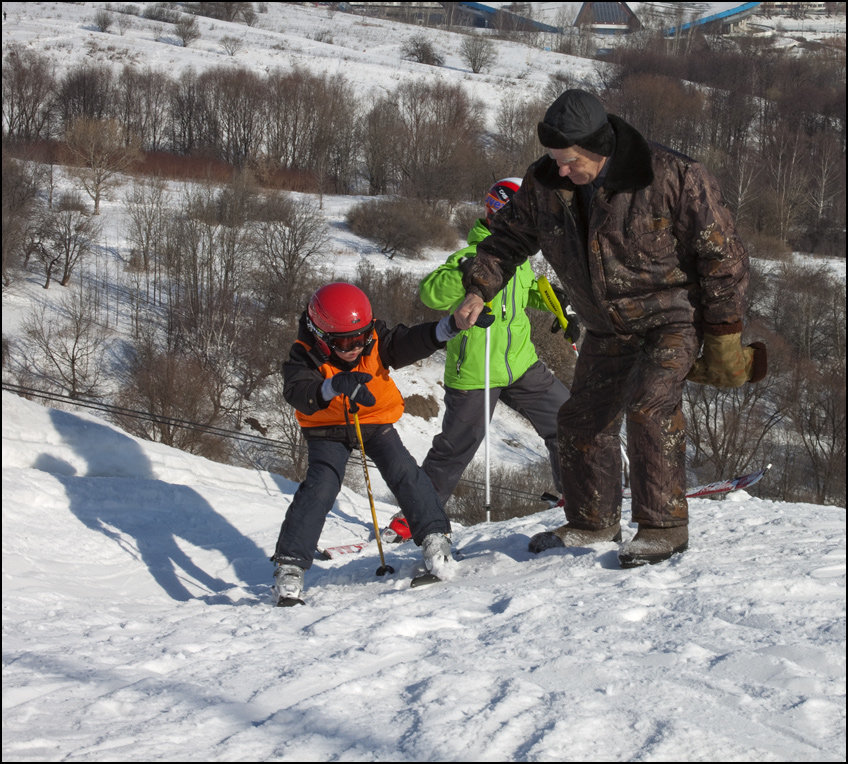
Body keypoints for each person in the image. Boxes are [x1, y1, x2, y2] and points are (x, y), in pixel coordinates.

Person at [453, 89, 767, 568]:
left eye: (569, 160)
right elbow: (506, 240)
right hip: (605, 328)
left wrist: (724, 333)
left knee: (649, 405)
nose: (559, 169)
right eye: (555, 159)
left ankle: (663, 527)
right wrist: (479, 287)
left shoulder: (674, 177)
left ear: (599, 148)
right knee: (580, 420)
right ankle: (591, 521)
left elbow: (723, 257)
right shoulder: (545, 185)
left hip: (670, 320)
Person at [383, 178, 575, 543]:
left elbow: (529, 291)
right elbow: (430, 293)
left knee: (566, 419)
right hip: (475, 368)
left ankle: (578, 496)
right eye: (520, 213)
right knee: (454, 449)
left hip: (520, 363)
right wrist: (466, 274)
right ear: (498, 211)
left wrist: (560, 305)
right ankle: (413, 517)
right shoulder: (468, 256)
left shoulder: (518, 258)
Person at [271, 282, 460, 603]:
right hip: (326, 426)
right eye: (343, 342)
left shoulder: (375, 339)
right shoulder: (303, 353)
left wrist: (449, 327)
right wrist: (332, 387)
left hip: (372, 418)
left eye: (359, 338)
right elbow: (298, 391)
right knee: (322, 486)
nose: (353, 347)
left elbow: (407, 342)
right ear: (320, 335)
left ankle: (434, 536)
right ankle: (290, 564)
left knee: (404, 472)